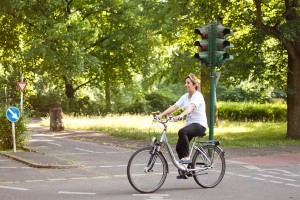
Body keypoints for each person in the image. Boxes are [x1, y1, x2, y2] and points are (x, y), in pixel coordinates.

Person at [157, 74, 208, 166]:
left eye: (188, 83)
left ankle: (187, 158)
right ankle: (186, 170)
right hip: (190, 125)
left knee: (182, 131)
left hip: (200, 125)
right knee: (178, 148)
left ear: (194, 84)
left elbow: (191, 107)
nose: (186, 85)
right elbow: (174, 106)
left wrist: (181, 115)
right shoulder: (185, 96)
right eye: (185, 83)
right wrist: (161, 115)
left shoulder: (198, 95)